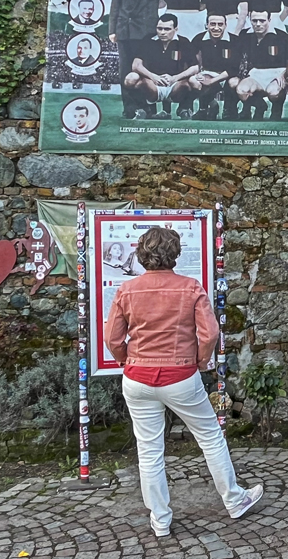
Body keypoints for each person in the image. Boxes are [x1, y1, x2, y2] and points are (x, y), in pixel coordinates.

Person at [104, 227, 263, 538]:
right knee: (210, 437)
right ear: (175, 254)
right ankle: (234, 499)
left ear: (141, 254)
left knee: (149, 450)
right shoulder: (190, 288)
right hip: (180, 376)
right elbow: (210, 333)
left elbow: (112, 338)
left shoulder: (127, 289)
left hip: (137, 377)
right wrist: (201, 361)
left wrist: (125, 359)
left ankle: (160, 519)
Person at [109, 0, 165, 119]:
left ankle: (149, 108)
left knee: (147, 69)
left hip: (147, 32)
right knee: (125, 71)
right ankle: (130, 109)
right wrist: (112, 30)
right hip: (125, 31)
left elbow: (166, 1)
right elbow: (115, 5)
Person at [124, 14, 197, 120]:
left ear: (176, 29)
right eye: (159, 28)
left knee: (194, 81)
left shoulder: (183, 42)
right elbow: (136, 65)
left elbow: (195, 67)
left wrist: (175, 78)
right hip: (152, 84)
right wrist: (153, 77)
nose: (162, 32)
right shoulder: (148, 40)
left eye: (167, 29)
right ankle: (143, 109)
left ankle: (184, 108)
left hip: (175, 85)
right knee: (131, 78)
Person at [235, 10, 288, 120]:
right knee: (241, 91)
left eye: (262, 21)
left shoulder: (281, 36)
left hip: (277, 73)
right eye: (254, 21)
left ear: (269, 20)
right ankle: (260, 105)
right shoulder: (245, 35)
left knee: (273, 92)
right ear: (250, 20)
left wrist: (284, 75)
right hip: (255, 73)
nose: (258, 24)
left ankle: (276, 109)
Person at [188, 13, 242, 121]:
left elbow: (234, 68)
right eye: (212, 24)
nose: (216, 28)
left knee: (234, 83)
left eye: (220, 24)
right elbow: (193, 61)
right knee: (193, 80)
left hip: (227, 75)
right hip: (207, 73)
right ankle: (206, 107)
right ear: (206, 25)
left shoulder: (235, 41)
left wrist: (212, 81)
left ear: (225, 25)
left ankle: (229, 109)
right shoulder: (198, 39)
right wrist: (199, 74)